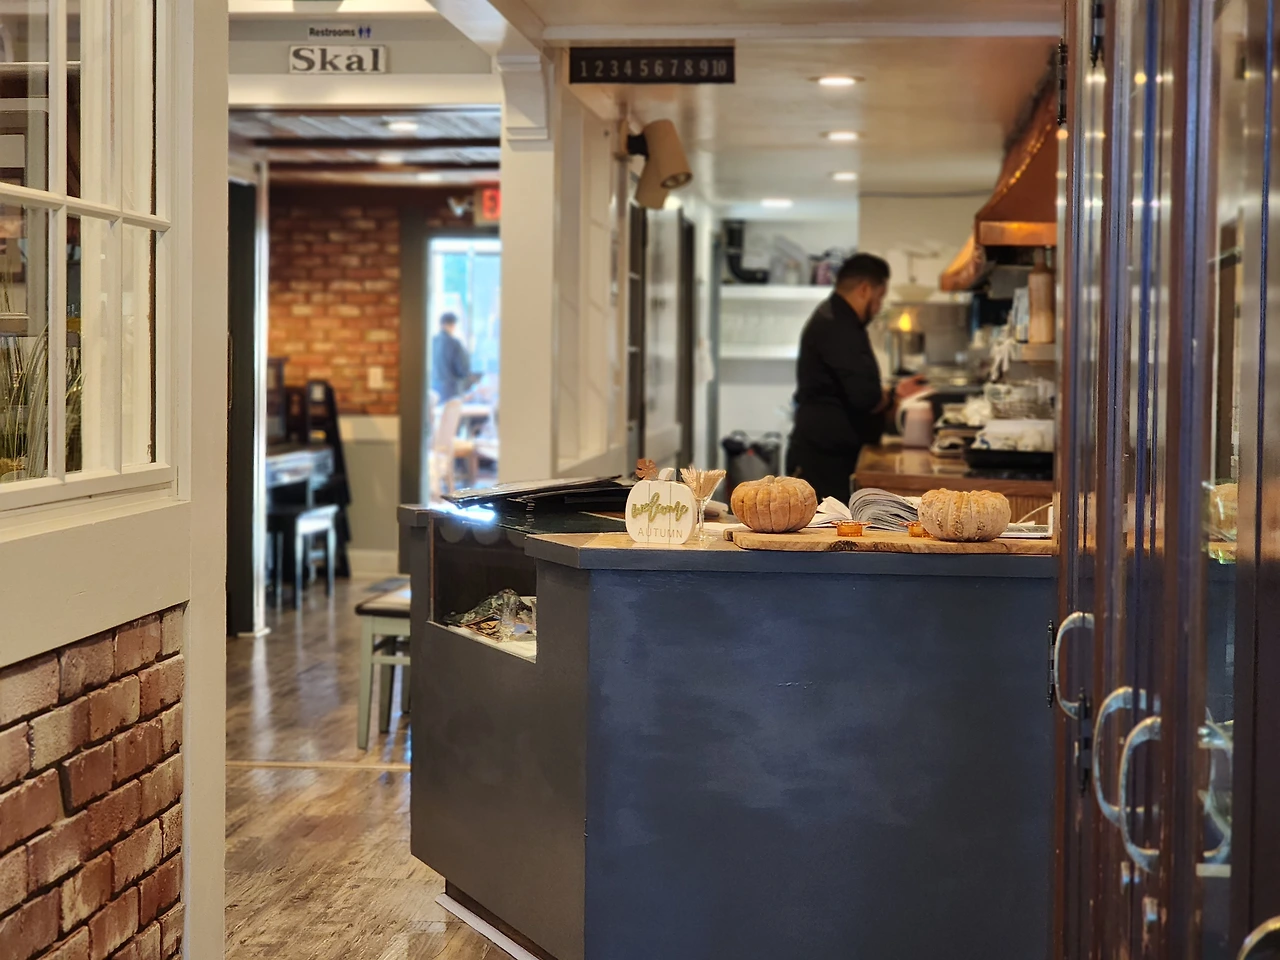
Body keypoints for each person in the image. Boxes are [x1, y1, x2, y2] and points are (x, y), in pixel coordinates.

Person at [785, 253, 926, 501]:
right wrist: (892, 396)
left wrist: (891, 393)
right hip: (825, 459)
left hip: (829, 452)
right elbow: (866, 397)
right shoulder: (838, 326)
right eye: (880, 296)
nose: (879, 306)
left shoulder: (837, 319)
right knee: (827, 524)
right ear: (864, 289)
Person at [431, 313, 473, 402]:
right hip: (451, 389)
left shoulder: (432, 341)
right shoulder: (454, 343)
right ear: (453, 325)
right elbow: (462, 369)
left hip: (434, 387)